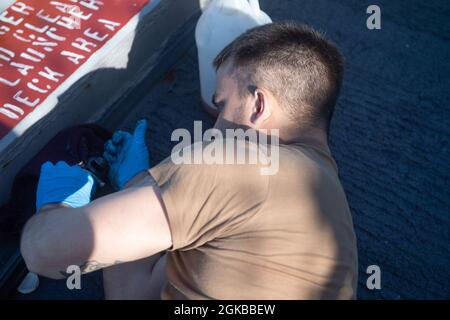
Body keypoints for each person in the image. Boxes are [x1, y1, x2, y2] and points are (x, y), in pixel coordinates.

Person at [20, 22, 358, 300]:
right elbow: (134, 295)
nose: (215, 127)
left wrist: (56, 208)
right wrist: (135, 185)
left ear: (258, 106)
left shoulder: (238, 164)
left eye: (222, 105)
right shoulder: (326, 200)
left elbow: (43, 252)